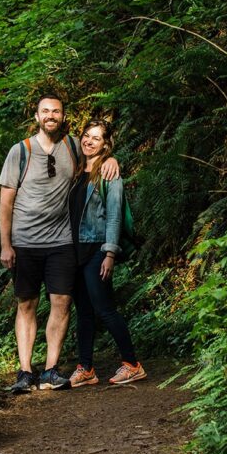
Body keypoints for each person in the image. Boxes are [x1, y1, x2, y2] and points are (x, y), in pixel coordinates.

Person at [0, 95, 119, 394]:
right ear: (37, 115)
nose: (50, 116)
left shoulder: (72, 146)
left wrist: (113, 158)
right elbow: (5, 203)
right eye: (45, 111)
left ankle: (51, 370)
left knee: (62, 303)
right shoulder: (20, 151)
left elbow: (97, 153)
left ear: (63, 116)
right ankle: (26, 371)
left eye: (56, 111)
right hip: (25, 242)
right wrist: (6, 245)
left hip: (62, 241)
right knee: (26, 304)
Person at [68, 119, 146, 387]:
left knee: (105, 309)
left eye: (96, 138)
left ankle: (132, 364)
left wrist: (110, 253)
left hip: (98, 248)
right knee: (84, 312)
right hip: (76, 250)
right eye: (86, 136)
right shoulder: (77, 170)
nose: (89, 141)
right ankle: (86, 368)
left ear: (106, 144)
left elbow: (114, 216)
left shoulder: (109, 173)